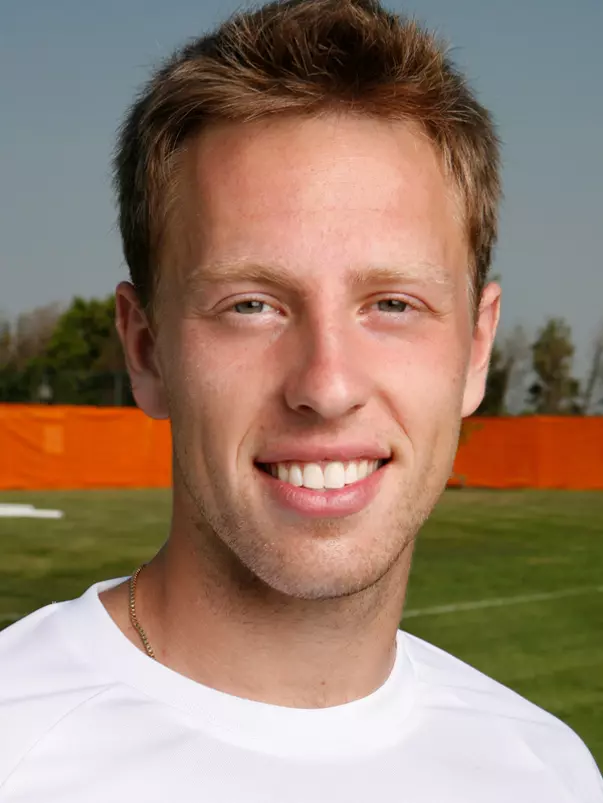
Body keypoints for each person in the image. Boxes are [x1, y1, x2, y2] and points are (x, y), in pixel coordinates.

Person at [0, 0, 601, 799]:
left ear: (475, 348)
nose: (326, 385)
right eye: (251, 304)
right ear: (146, 348)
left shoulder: (546, 772)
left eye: (392, 303)